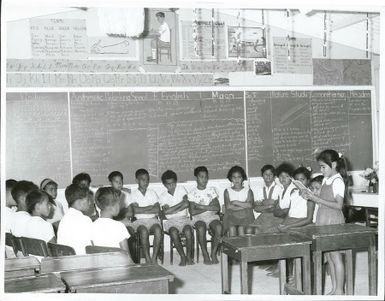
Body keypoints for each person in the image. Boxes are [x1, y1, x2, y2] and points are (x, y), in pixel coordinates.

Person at [301, 149, 347, 295]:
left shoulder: (338, 180)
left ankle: (340, 290)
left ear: (333, 164)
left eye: (323, 167)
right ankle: (334, 288)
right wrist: (308, 195)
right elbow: (321, 196)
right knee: (328, 256)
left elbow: (339, 205)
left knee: (335, 256)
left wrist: (317, 199)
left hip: (333, 220)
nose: (320, 170)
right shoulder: (327, 179)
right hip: (323, 218)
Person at [188, 166, 222, 265]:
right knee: (201, 227)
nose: (204, 179)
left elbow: (217, 208)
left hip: (211, 216)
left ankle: (213, 253)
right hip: (198, 218)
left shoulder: (211, 191)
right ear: (196, 178)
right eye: (201, 177)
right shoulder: (192, 193)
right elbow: (192, 212)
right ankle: (205, 254)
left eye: (206, 177)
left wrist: (200, 206)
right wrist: (208, 206)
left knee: (219, 227)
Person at [159, 170, 194, 266]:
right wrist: (180, 206)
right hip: (171, 221)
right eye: (168, 184)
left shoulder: (181, 189)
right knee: (173, 232)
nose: (171, 185)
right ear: (164, 184)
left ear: (176, 182)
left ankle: (189, 256)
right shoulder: (163, 196)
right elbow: (165, 212)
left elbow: (187, 203)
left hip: (184, 219)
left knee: (188, 231)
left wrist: (173, 210)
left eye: (173, 183)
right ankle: (182, 256)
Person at [130, 168, 163, 264]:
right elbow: (135, 210)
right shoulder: (133, 194)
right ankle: (147, 258)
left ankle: (154, 257)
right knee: (143, 231)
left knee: (157, 230)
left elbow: (157, 209)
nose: (146, 182)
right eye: (143, 180)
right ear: (137, 180)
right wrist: (149, 207)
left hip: (153, 220)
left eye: (147, 180)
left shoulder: (152, 193)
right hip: (139, 221)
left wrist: (142, 209)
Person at [92, 187, 133, 261]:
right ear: (112, 206)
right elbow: (127, 258)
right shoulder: (119, 227)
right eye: (119, 203)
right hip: (119, 270)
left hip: (100, 270)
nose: (121, 205)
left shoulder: (92, 226)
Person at [57, 184, 92, 255]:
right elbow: (92, 247)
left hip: (66, 262)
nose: (90, 203)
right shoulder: (85, 220)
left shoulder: (63, 220)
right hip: (82, 262)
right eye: (88, 200)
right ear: (79, 202)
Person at [276, 166, 314, 231]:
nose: (300, 182)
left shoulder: (310, 195)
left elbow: (309, 219)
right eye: (297, 180)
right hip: (290, 222)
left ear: (308, 180)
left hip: (301, 224)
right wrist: (283, 224)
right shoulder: (294, 194)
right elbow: (289, 213)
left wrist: (288, 226)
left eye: (302, 179)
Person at [250, 165, 282, 234]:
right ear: (262, 176)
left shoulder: (279, 188)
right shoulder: (260, 190)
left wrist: (262, 203)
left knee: (267, 232)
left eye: (270, 174)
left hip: (276, 217)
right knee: (250, 230)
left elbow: (277, 207)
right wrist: (269, 205)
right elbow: (256, 208)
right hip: (263, 216)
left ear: (274, 176)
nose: (268, 176)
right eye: (265, 174)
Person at [223, 165, 254, 237]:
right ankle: (234, 248)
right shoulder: (227, 191)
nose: (236, 180)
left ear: (242, 178)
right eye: (234, 177)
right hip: (231, 216)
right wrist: (244, 205)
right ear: (230, 178)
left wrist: (235, 202)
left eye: (239, 177)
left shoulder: (248, 190)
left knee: (241, 228)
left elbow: (250, 205)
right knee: (232, 228)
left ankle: (242, 247)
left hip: (246, 216)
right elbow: (228, 207)